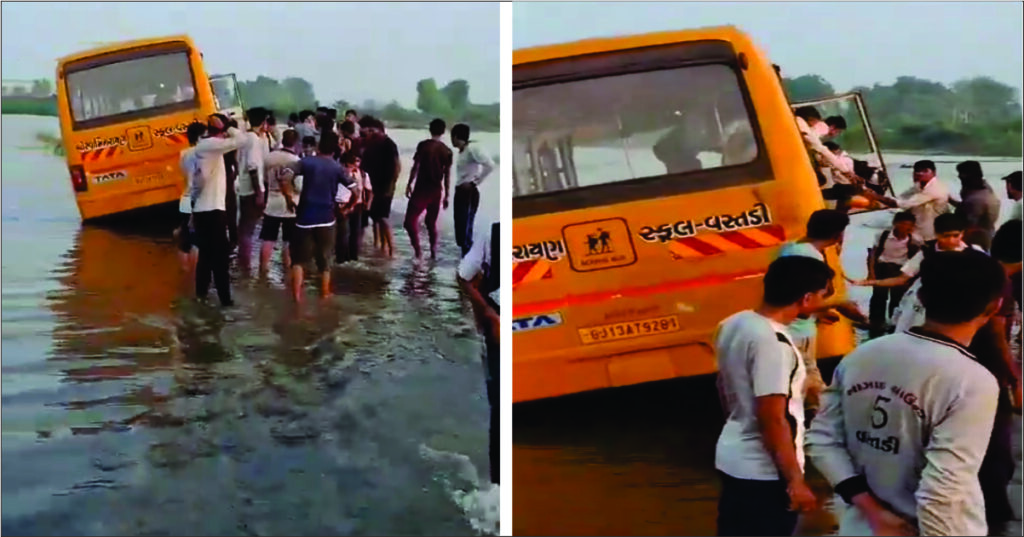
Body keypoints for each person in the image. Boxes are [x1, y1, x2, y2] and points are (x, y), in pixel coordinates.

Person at [805, 251, 1006, 536]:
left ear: (921, 298)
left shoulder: (862, 355)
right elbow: (942, 492)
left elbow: (822, 439)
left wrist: (872, 511)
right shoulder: (972, 381)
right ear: (995, 306)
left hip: (864, 526)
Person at [714, 255, 835, 536]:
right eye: (822, 294)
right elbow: (773, 417)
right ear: (806, 298)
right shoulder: (774, 344)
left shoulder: (735, 323)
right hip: (763, 471)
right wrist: (795, 480)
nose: (823, 300)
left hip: (732, 455)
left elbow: (723, 386)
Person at [777, 209, 868, 415]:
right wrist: (840, 304)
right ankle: (823, 417)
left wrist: (821, 312)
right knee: (809, 375)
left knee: (804, 375)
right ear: (838, 234)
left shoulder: (790, 248)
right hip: (800, 330)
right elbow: (800, 304)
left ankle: (814, 412)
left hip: (789, 327)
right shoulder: (810, 258)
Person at [850, 213, 986, 334]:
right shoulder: (927, 252)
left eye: (955, 236)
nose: (951, 241)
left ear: (962, 233)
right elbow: (902, 278)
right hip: (925, 305)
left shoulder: (975, 253)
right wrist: (871, 282)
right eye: (946, 236)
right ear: (937, 234)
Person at [971, 221, 1023, 535]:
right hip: (986, 368)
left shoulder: (979, 269)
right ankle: (995, 511)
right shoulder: (1000, 281)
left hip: (960, 362)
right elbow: (996, 334)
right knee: (996, 447)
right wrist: (1014, 377)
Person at [279, 132, 357, 301]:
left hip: (304, 218)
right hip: (327, 219)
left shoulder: (306, 162)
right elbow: (356, 191)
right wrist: (348, 208)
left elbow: (284, 178)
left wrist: (289, 199)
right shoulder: (337, 168)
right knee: (325, 260)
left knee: (298, 260)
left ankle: (297, 299)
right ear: (335, 149)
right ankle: (324, 294)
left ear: (319, 146)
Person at [457, 220, 500, 486]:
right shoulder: (493, 232)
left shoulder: (494, 231)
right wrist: (489, 313)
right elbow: (464, 277)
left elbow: (465, 276)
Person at [191, 114, 249, 306]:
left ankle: (201, 296)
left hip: (202, 209)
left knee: (206, 257)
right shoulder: (211, 145)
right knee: (220, 257)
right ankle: (225, 300)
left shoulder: (202, 148)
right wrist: (228, 126)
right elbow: (242, 140)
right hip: (213, 210)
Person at [865, 211, 921, 338]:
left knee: (898, 299)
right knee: (878, 297)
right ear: (895, 223)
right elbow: (872, 254)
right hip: (882, 267)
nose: (905, 228)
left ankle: (893, 324)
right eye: (902, 224)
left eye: (909, 226)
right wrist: (871, 273)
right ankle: (875, 323)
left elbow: (915, 259)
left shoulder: (915, 240)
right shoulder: (882, 235)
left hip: (900, 269)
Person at [863, 160, 950, 241]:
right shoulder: (918, 185)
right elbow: (899, 198)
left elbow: (902, 204)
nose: (919, 174)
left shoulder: (935, 188)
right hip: (917, 230)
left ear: (934, 173)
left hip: (930, 232)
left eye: (925, 171)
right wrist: (875, 196)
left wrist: (875, 196)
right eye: (917, 171)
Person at [405, 118, 453, 260]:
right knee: (430, 223)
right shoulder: (447, 151)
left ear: (430, 129)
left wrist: (409, 183)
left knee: (409, 222)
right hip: (436, 190)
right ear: (443, 131)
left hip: (421, 189)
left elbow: (416, 166)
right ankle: (433, 252)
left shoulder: (423, 146)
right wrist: (447, 195)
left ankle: (418, 252)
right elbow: (447, 175)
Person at [259, 128, 302, 274]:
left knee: (268, 239)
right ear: (296, 143)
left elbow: (264, 179)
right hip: (290, 203)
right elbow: (298, 185)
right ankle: (288, 269)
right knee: (288, 240)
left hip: (271, 200)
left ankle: (263, 269)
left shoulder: (269, 157)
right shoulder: (296, 161)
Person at [451, 123, 495, 257]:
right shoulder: (463, 151)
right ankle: (465, 258)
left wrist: (476, 181)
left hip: (468, 192)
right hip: (460, 191)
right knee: (460, 227)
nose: (451, 140)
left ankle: (469, 259)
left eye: (452, 137)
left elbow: (489, 165)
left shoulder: (473, 148)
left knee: (465, 229)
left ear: (457, 137)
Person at [360, 116, 401, 257]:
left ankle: (391, 249)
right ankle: (379, 246)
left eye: (371, 131)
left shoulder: (388, 144)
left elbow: (396, 166)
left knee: (383, 217)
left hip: (385, 186)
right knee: (375, 217)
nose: (369, 133)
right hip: (373, 186)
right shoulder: (370, 144)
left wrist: (391, 185)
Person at [237, 107, 271, 270]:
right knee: (248, 230)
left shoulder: (248, 138)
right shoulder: (253, 140)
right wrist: (259, 192)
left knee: (245, 229)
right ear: (263, 122)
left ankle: (243, 264)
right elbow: (252, 167)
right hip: (251, 189)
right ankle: (246, 266)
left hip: (244, 188)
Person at [175, 121, 206, 273]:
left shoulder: (183, 153)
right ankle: (196, 274)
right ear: (200, 137)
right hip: (197, 198)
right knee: (197, 240)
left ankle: (186, 273)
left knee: (184, 240)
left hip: (185, 197)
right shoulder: (201, 154)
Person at [949, 160, 1001, 251]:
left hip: (977, 240)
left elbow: (971, 225)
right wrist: (950, 201)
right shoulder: (985, 188)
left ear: (967, 176)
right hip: (987, 234)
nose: (959, 176)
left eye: (961, 174)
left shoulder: (975, 199)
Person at [336, 151, 372, 263]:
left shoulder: (362, 174)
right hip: (341, 205)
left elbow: (369, 190)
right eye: (351, 163)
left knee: (355, 234)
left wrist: (368, 203)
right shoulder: (339, 174)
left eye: (357, 161)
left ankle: (353, 257)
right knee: (343, 234)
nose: (354, 165)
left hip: (357, 206)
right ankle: (342, 258)